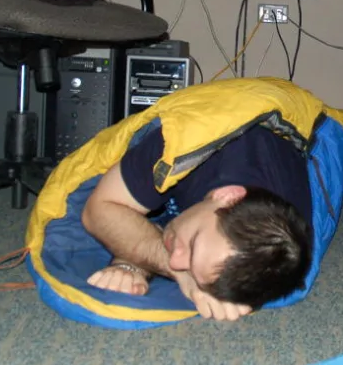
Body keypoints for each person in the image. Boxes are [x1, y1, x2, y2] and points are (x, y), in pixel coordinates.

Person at [80, 123, 314, 322]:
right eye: (193, 244)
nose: (175, 260)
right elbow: (97, 209)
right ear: (227, 196)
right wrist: (181, 275)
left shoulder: (284, 233)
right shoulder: (180, 143)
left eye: (190, 267)